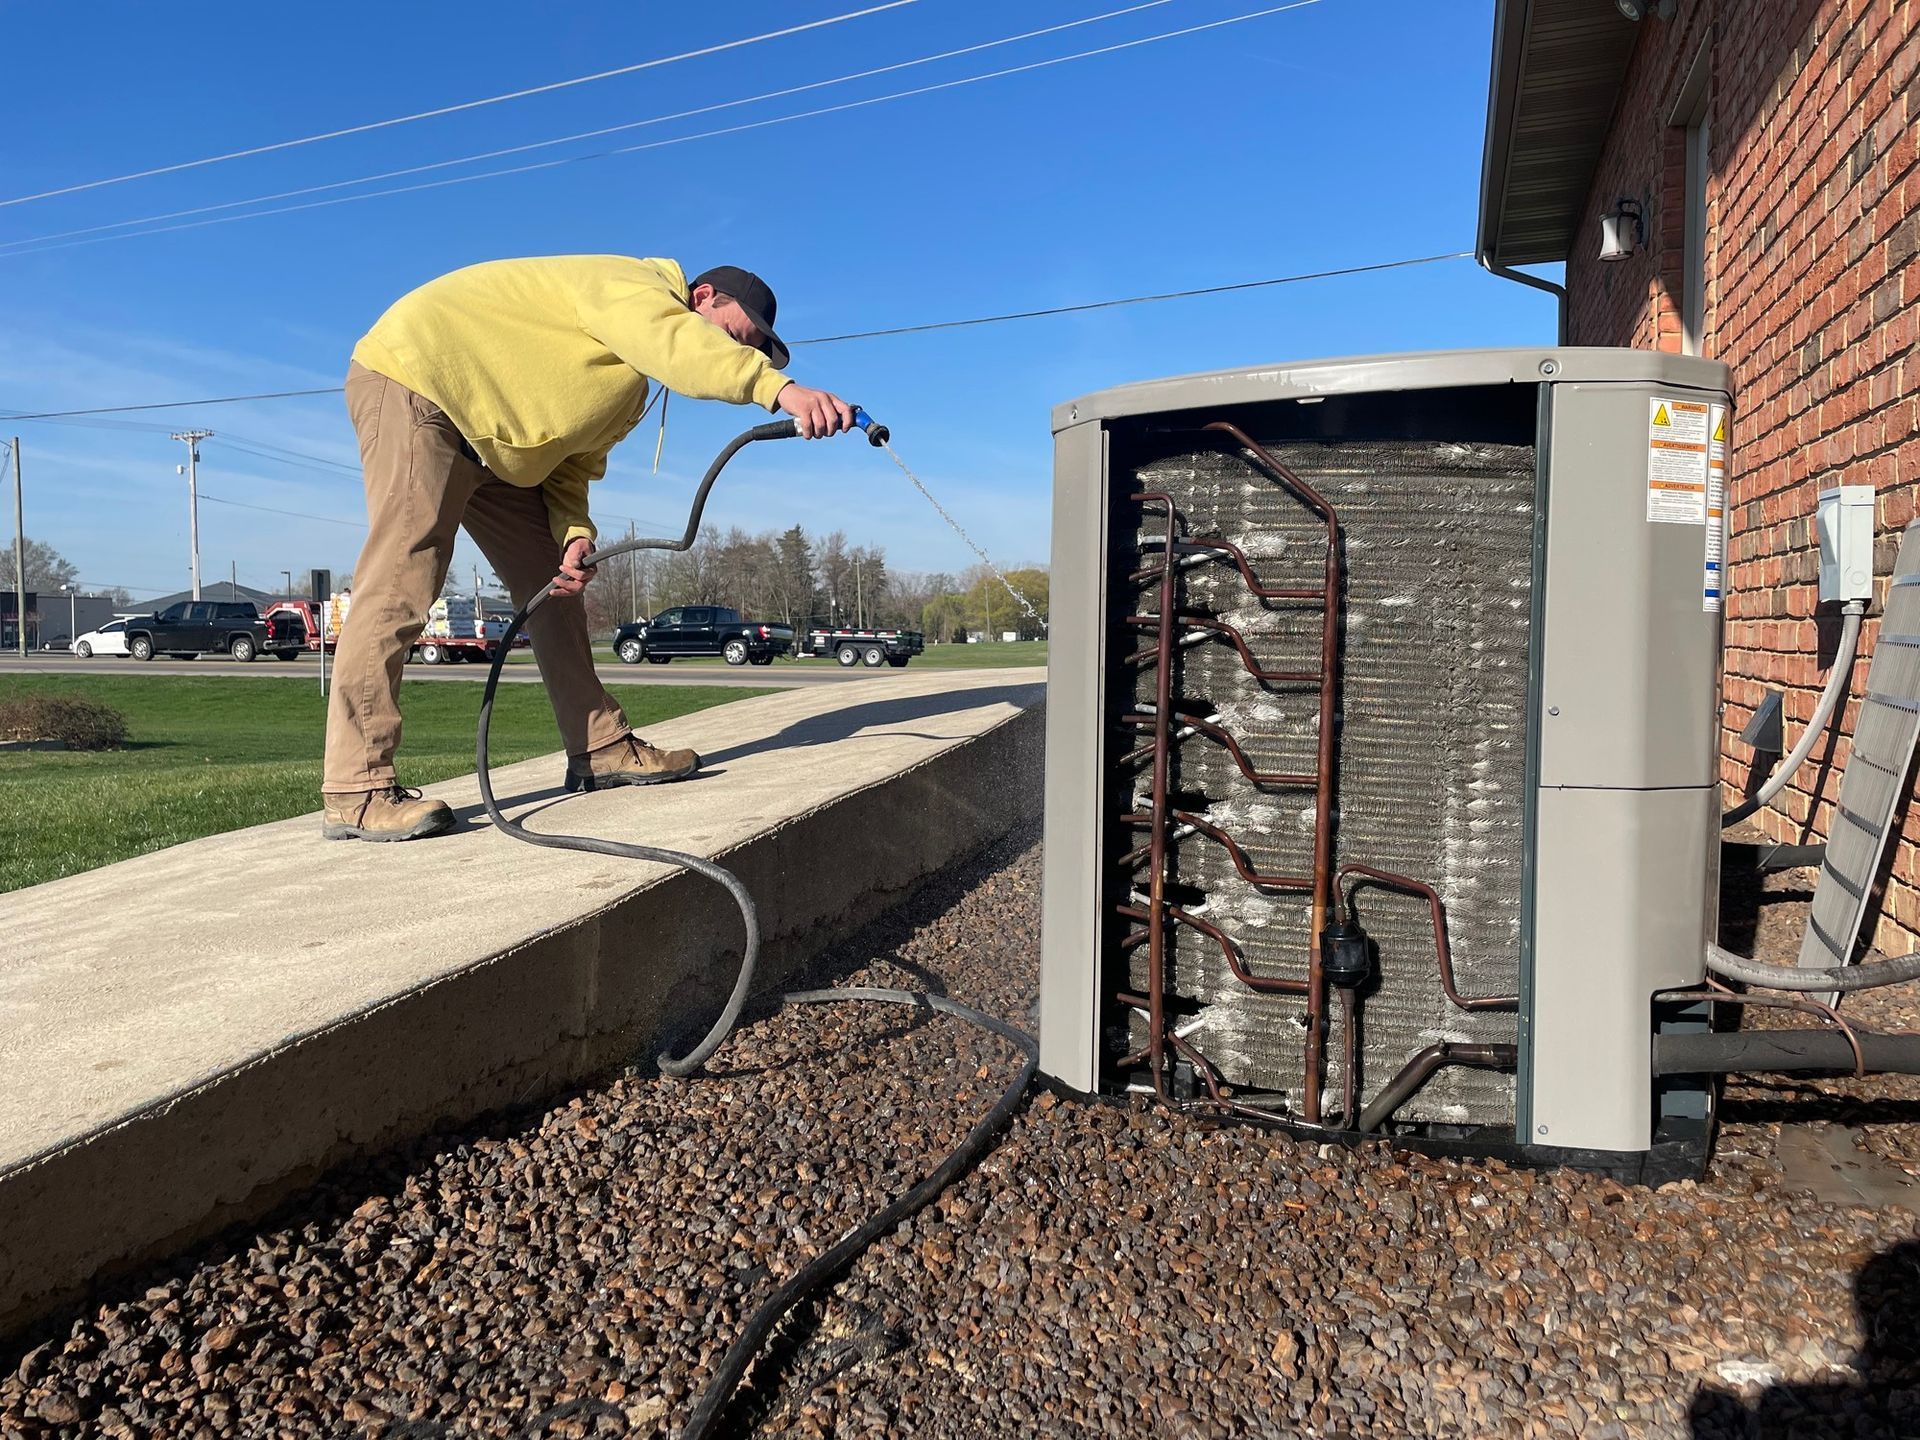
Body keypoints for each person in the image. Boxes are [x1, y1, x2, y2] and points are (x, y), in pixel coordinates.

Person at [321, 256, 853, 841]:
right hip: (418, 385)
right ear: (702, 297)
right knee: (401, 583)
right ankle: (357, 787)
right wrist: (777, 388)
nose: (742, 355)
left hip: (495, 449)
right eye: (736, 338)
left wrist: (574, 535)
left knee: (554, 590)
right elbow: (673, 342)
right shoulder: (633, 287)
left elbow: (572, 464)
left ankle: (597, 746)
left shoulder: (628, 389)